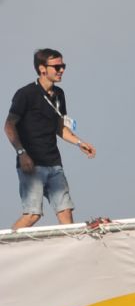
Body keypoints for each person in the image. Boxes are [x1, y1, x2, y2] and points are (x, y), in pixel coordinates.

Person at [8, 48, 95, 230]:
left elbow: (61, 128)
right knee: (32, 215)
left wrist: (80, 143)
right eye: (57, 67)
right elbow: (9, 126)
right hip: (32, 164)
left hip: (54, 163)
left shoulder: (59, 95)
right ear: (42, 69)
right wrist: (22, 153)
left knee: (65, 212)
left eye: (63, 66)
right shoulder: (26, 94)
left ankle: (71, 254)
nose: (61, 70)